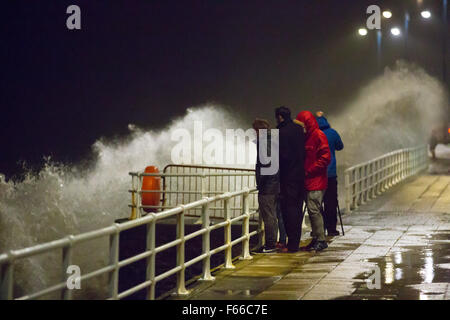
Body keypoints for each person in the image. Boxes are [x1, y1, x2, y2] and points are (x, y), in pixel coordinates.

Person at [295, 111, 331, 252]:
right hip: (310, 180)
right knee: (313, 211)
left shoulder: (317, 135)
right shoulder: (308, 136)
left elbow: (325, 158)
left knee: (314, 210)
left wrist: (309, 170)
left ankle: (321, 240)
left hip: (316, 181)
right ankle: (317, 238)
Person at [275, 106, 306, 253]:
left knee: (289, 211)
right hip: (301, 176)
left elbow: (282, 157)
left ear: (280, 117)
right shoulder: (299, 130)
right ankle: (295, 242)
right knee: (297, 210)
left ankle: (292, 245)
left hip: (288, 178)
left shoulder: (281, 133)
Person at [252, 118, 279, 253]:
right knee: (273, 215)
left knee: (268, 216)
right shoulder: (274, 139)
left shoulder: (263, 142)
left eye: (254, 131)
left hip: (268, 186)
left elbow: (266, 164)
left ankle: (270, 244)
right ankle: (274, 241)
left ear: (258, 130)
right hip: (276, 183)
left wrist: (261, 183)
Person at [316, 112, 344, 236]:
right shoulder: (332, 133)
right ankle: (331, 228)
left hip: (317, 173)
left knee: (316, 202)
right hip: (331, 173)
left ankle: (319, 227)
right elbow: (340, 146)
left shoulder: (314, 134)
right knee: (331, 202)